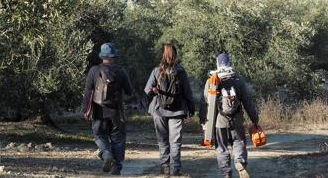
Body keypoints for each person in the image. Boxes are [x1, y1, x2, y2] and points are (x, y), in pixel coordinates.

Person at [199, 53, 259, 178]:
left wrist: (203, 119)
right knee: (239, 141)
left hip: (218, 121)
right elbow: (247, 101)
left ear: (217, 64)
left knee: (221, 147)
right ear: (229, 63)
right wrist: (254, 119)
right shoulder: (238, 80)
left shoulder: (211, 81)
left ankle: (226, 173)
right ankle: (239, 162)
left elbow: (204, 102)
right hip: (236, 119)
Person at [144, 43, 195, 176]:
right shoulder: (181, 71)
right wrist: (191, 107)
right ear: (176, 55)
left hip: (158, 109)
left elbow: (147, 90)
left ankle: (165, 166)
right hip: (178, 111)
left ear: (163, 54)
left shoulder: (156, 70)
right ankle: (175, 168)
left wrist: (154, 92)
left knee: (162, 140)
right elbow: (188, 92)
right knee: (175, 141)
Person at [82, 42, 133, 175]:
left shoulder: (94, 70)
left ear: (102, 56)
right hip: (116, 112)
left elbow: (88, 92)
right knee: (118, 139)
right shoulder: (121, 71)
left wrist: (85, 110)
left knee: (99, 135)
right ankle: (116, 167)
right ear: (114, 56)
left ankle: (105, 153)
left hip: (98, 111)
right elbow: (129, 91)